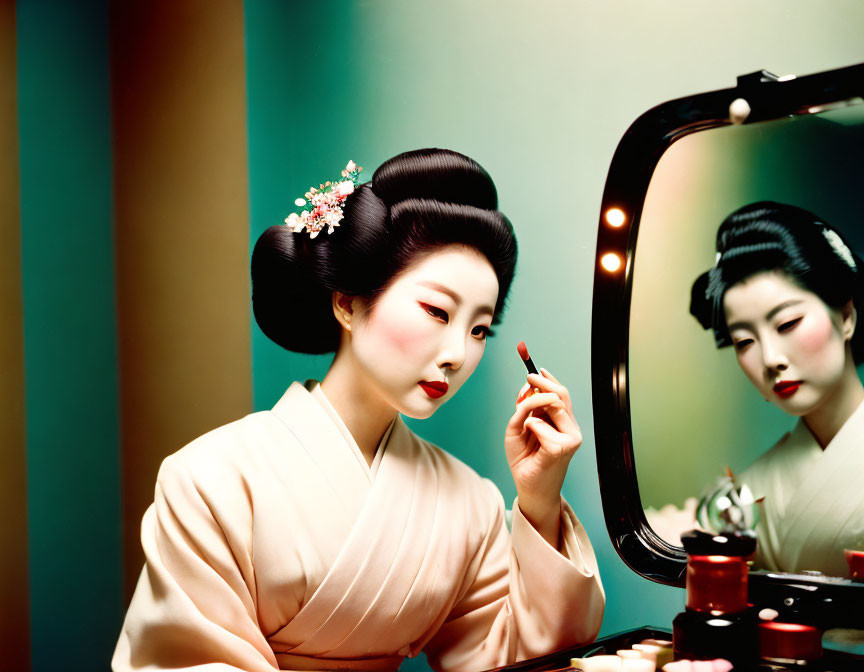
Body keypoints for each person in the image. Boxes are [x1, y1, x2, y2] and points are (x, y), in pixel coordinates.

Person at [112, 148, 605, 672]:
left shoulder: (471, 506)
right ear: (347, 303)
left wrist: (540, 497)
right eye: (437, 311)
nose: (458, 354)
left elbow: (527, 662)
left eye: (479, 329)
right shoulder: (211, 478)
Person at [690, 201, 864, 576]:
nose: (770, 359)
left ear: (846, 316)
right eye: (744, 342)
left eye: (787, 324)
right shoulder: (751, 489)